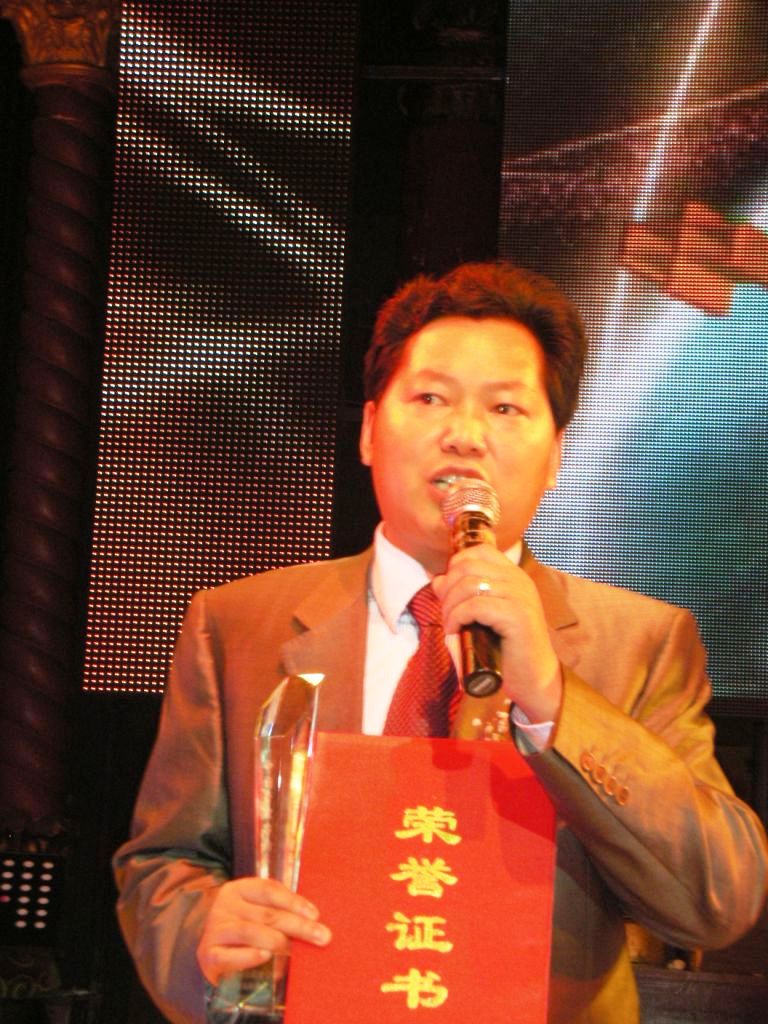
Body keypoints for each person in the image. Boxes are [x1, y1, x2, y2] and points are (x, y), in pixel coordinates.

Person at [114, 262, 768, 1024]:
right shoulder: (238, 625)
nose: (465, 435)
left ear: (557, 456)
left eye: (506, 407)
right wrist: (202, 930)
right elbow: (163, 862)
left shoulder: (643, 642)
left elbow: (719, 899)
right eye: (430, 399)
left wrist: (553, 702)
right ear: (369, 430)